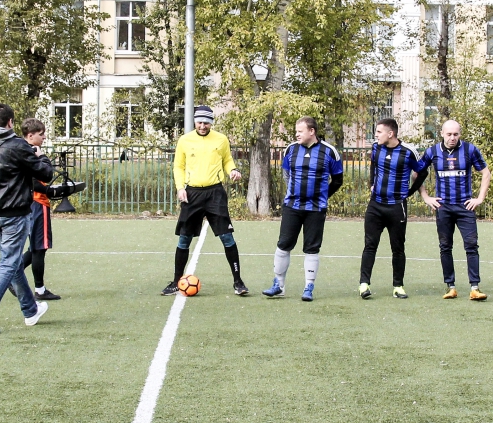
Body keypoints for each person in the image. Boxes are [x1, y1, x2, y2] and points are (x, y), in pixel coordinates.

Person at [0, 103, 54, 334]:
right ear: (10, 123)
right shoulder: (17, 145)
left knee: (13, 261)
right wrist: (41, 156)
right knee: (8, 263)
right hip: (14, 212)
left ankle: (30, 310)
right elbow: (45, 173)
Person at [165, 105, 248, 297]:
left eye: (206, 122)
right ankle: (177, 281)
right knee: (184, 238)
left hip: (215, 194)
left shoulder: (221, 139)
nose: (203, 126)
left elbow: (227, 160)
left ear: (211, 122)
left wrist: (233, 170)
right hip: (192, 194)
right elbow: (179, 166)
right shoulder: (185, 140)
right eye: (200, 122)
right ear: (195, 121)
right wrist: (180, 188)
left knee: (227, 237)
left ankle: (238, 282)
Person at [262, 116, 344, 301]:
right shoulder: (291, 149)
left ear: (312, 131)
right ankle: (278, 285)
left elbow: (338, 180)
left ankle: (309, 287)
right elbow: (286, 174)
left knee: (311, 248)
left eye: (300, 131)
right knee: (283, 245)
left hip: (316, 208)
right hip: (292, 206)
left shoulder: (330, 152)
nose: (296, 134)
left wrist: (322, 196)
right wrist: (294, 192)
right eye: (296, 131)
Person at [420, 119, 490, 301]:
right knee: (445, 246)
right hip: (443, 207)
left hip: (465, 207)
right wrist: (426, 197)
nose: (452, 138)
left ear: (460, 134)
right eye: (449, 134)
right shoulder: (432, 152)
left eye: (456, 134)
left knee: (471, 246)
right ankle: (450, 286)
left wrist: (480, 198)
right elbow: (417, 173)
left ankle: (475, 287)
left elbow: (485, 173)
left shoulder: (470, 150)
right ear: (442, 133)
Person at [359, 117, 428, 300]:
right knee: (370, 245)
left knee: (397, 248)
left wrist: (410, 192)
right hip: (375, 205)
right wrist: (371, 184)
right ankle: (364, 284)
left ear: (391, 134)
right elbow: (373, 164)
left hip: (397, 207)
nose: (376, 135)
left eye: (379, 132)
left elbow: (422, 171)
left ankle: (398, 286)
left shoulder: (408, 152)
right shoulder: (376, 147)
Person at [19, 118, 61, 302]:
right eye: (40, 134)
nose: (43, 137)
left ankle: (12, 273)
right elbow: (42, 174)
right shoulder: (30, 153)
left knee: (35, 248)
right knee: (39, 248)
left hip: (31, 203)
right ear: (30, 135)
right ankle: (39, 289)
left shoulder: (20, 150)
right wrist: (43, 157)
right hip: (37, 203)